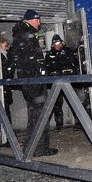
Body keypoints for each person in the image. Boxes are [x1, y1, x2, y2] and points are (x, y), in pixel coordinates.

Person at [10, 9, 57, 157]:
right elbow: (24, 59)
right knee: (39, 114)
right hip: (33, 81)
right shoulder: (25, 34)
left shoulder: (24, 33)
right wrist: (35, 77)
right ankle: (38, 148)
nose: (40, 22)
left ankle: (34, 147)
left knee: (36, 114)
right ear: (30, 20)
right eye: (37, 19)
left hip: (33, 80)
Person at [46, 34, 86, 130]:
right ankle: (59, 124)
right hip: (56, 81)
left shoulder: (68, 51)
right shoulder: (49, 54)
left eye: (59, 43)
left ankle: (78, 123)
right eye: (55, 43)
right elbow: (47, 67)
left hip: (69, 81)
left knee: (74, 102)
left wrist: (74, 75)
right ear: (52, 44)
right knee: (57, 103)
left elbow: (75, 64)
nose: (57, 45)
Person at [0, 35, 14, 120]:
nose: (7, 48)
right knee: (5, 107)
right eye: (5, 45)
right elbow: (6, 70)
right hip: (4, 85)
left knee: (6, 106)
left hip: (5, 85)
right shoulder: (2, 57)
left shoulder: (6, 55)